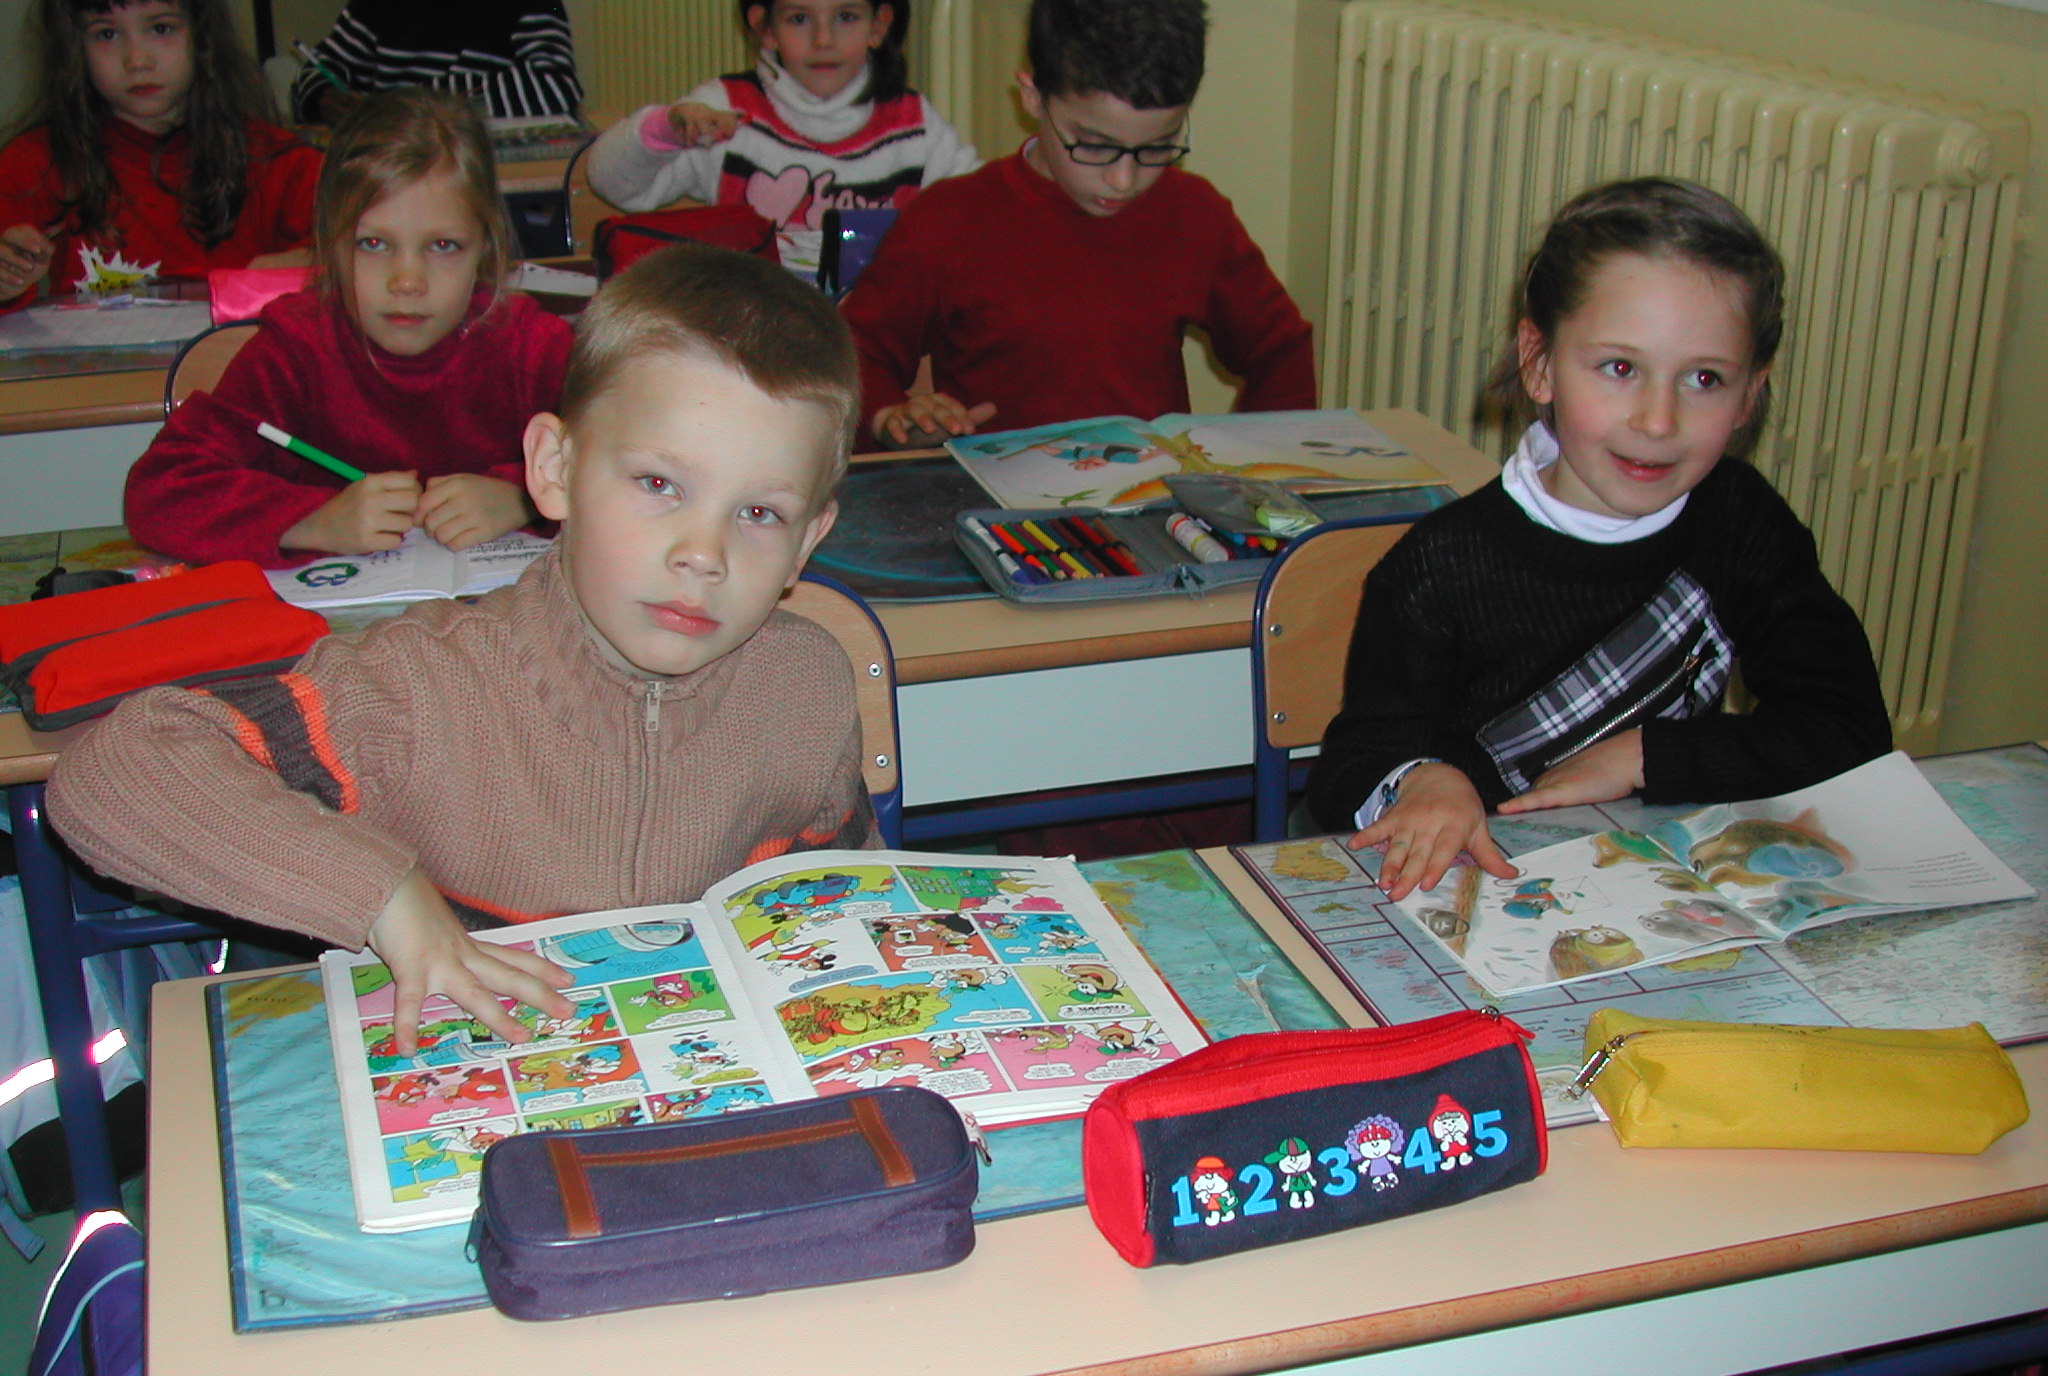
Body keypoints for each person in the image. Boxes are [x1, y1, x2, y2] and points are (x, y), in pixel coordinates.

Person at [50, 241, 875, 1051]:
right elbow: (113, 773)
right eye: (659, 484)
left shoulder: (806, 683)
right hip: (473, 1088)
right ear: (552, 469)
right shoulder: (418, 687)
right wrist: (382, 896)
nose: (704, 554)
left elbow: (839, 900)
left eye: (760, 513)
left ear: (808, 539)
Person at [1305, 177, 1893, 930]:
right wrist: (1423, 780)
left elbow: (1848, 730)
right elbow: (1350, 766)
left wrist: (1643, 756)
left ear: (1751, 394)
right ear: (1540, 362)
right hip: (1479, 902)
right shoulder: (1438, 565)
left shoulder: (1740, 521)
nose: (1658, 420)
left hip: (1661, 896)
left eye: (1705, 379)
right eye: (1620, 368)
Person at [125, 89, 573, 568]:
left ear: (485, 246)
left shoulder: (533, 348)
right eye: (372, 244)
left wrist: (526, 496)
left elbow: (620, 459)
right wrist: (314, 520)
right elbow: (158, 492)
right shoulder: (295, 349)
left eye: (443, 245)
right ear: (329, 242)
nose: (407, 281)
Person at [840, 0, 1314, 451]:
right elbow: (855, 353)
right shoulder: (949, 220)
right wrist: (889, 419)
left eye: (1157, 147)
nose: (1123, 179)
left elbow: (1280, 348)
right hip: (990, 496)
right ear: (1032, 97)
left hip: (1148, 493)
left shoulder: (1193, 214)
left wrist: (1257, 468)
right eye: (1094, 145)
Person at [583, 0, 976, 281]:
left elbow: (975, 211)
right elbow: (613, 184)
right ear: (765, 28)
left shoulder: (914, 123)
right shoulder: (726, 110)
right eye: (799, 19)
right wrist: (665, 129)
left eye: (846, 17)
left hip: (875, 329)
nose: (823, 39)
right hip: (756, 327)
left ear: (878, 25)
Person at [0, 0, 319, 312]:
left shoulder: (284, 163)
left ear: (203, 35)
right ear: (73, 47)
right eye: (106, 34)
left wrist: (319, 267)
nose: (137, 61)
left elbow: (338, 259)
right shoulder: (33, 161)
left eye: (161, 28)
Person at [290, 0, 582, 127]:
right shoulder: (376, 5)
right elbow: (319, 68)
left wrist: (412, 104)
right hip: (390, 175)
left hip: (480, 180)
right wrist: (322, 97)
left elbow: (556, 85)